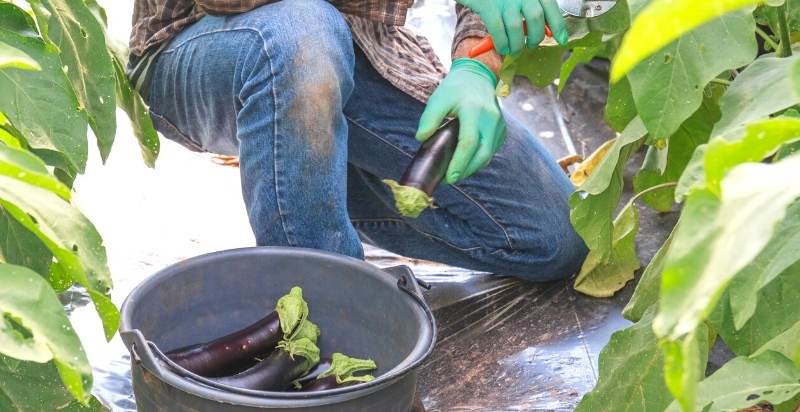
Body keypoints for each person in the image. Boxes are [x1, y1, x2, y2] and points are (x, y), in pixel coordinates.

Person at [128, 0, 587, 281]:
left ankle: (310, 181)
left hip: (360, 45)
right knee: (303, 32)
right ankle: (327, 304)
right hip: (204, 47)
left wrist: (475, 65)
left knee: (552, 235)